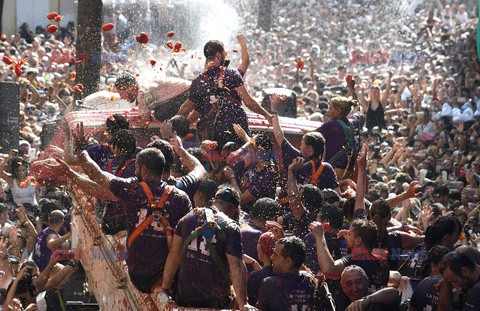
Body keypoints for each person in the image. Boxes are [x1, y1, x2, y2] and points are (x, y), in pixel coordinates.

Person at [48, 148, 192, 295]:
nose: (135, 171)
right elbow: (184, 245)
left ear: (143, 169)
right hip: (168, 280)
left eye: (136, 167)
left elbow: (97, 176)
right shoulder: (181, 198)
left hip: (139, 276)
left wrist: (80, 151)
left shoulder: (131, 190)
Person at [160, 187, 254, 310]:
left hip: (184, 297)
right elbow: (236, 265)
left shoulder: (188, 217)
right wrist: (243, 304)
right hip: (214, 302)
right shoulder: (231, 227)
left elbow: (174, 254)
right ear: (234, 210)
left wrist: (165, 287)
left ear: (213, 201)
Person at [176, 39, 273, 148]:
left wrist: (174, 125)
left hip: (213, 137)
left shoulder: (198, 82)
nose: (226, 56)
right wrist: (267, 115)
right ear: (218, 55)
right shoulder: (232, 74)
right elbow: (249, 102)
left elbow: (186, 108)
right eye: (224, 53)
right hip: (237, 131)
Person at [256, 236, 316, 310]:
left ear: (288, 261)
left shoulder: (271, 283)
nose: (271, 257)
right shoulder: (310, 282)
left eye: (275, 255)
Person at [317, 95, 361, 180]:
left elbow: (312, 133)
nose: (328, 111)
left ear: (338, 111)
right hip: (349, 171)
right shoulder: (354, 122)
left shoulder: (331, 125)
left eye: (330, 108)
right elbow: (357, 114)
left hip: (332, 170)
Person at [247, 231, 278, 306]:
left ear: (263, 248)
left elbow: (250, 303)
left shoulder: (256, 276)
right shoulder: (284, 272)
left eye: (258, 243)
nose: (257, 246)